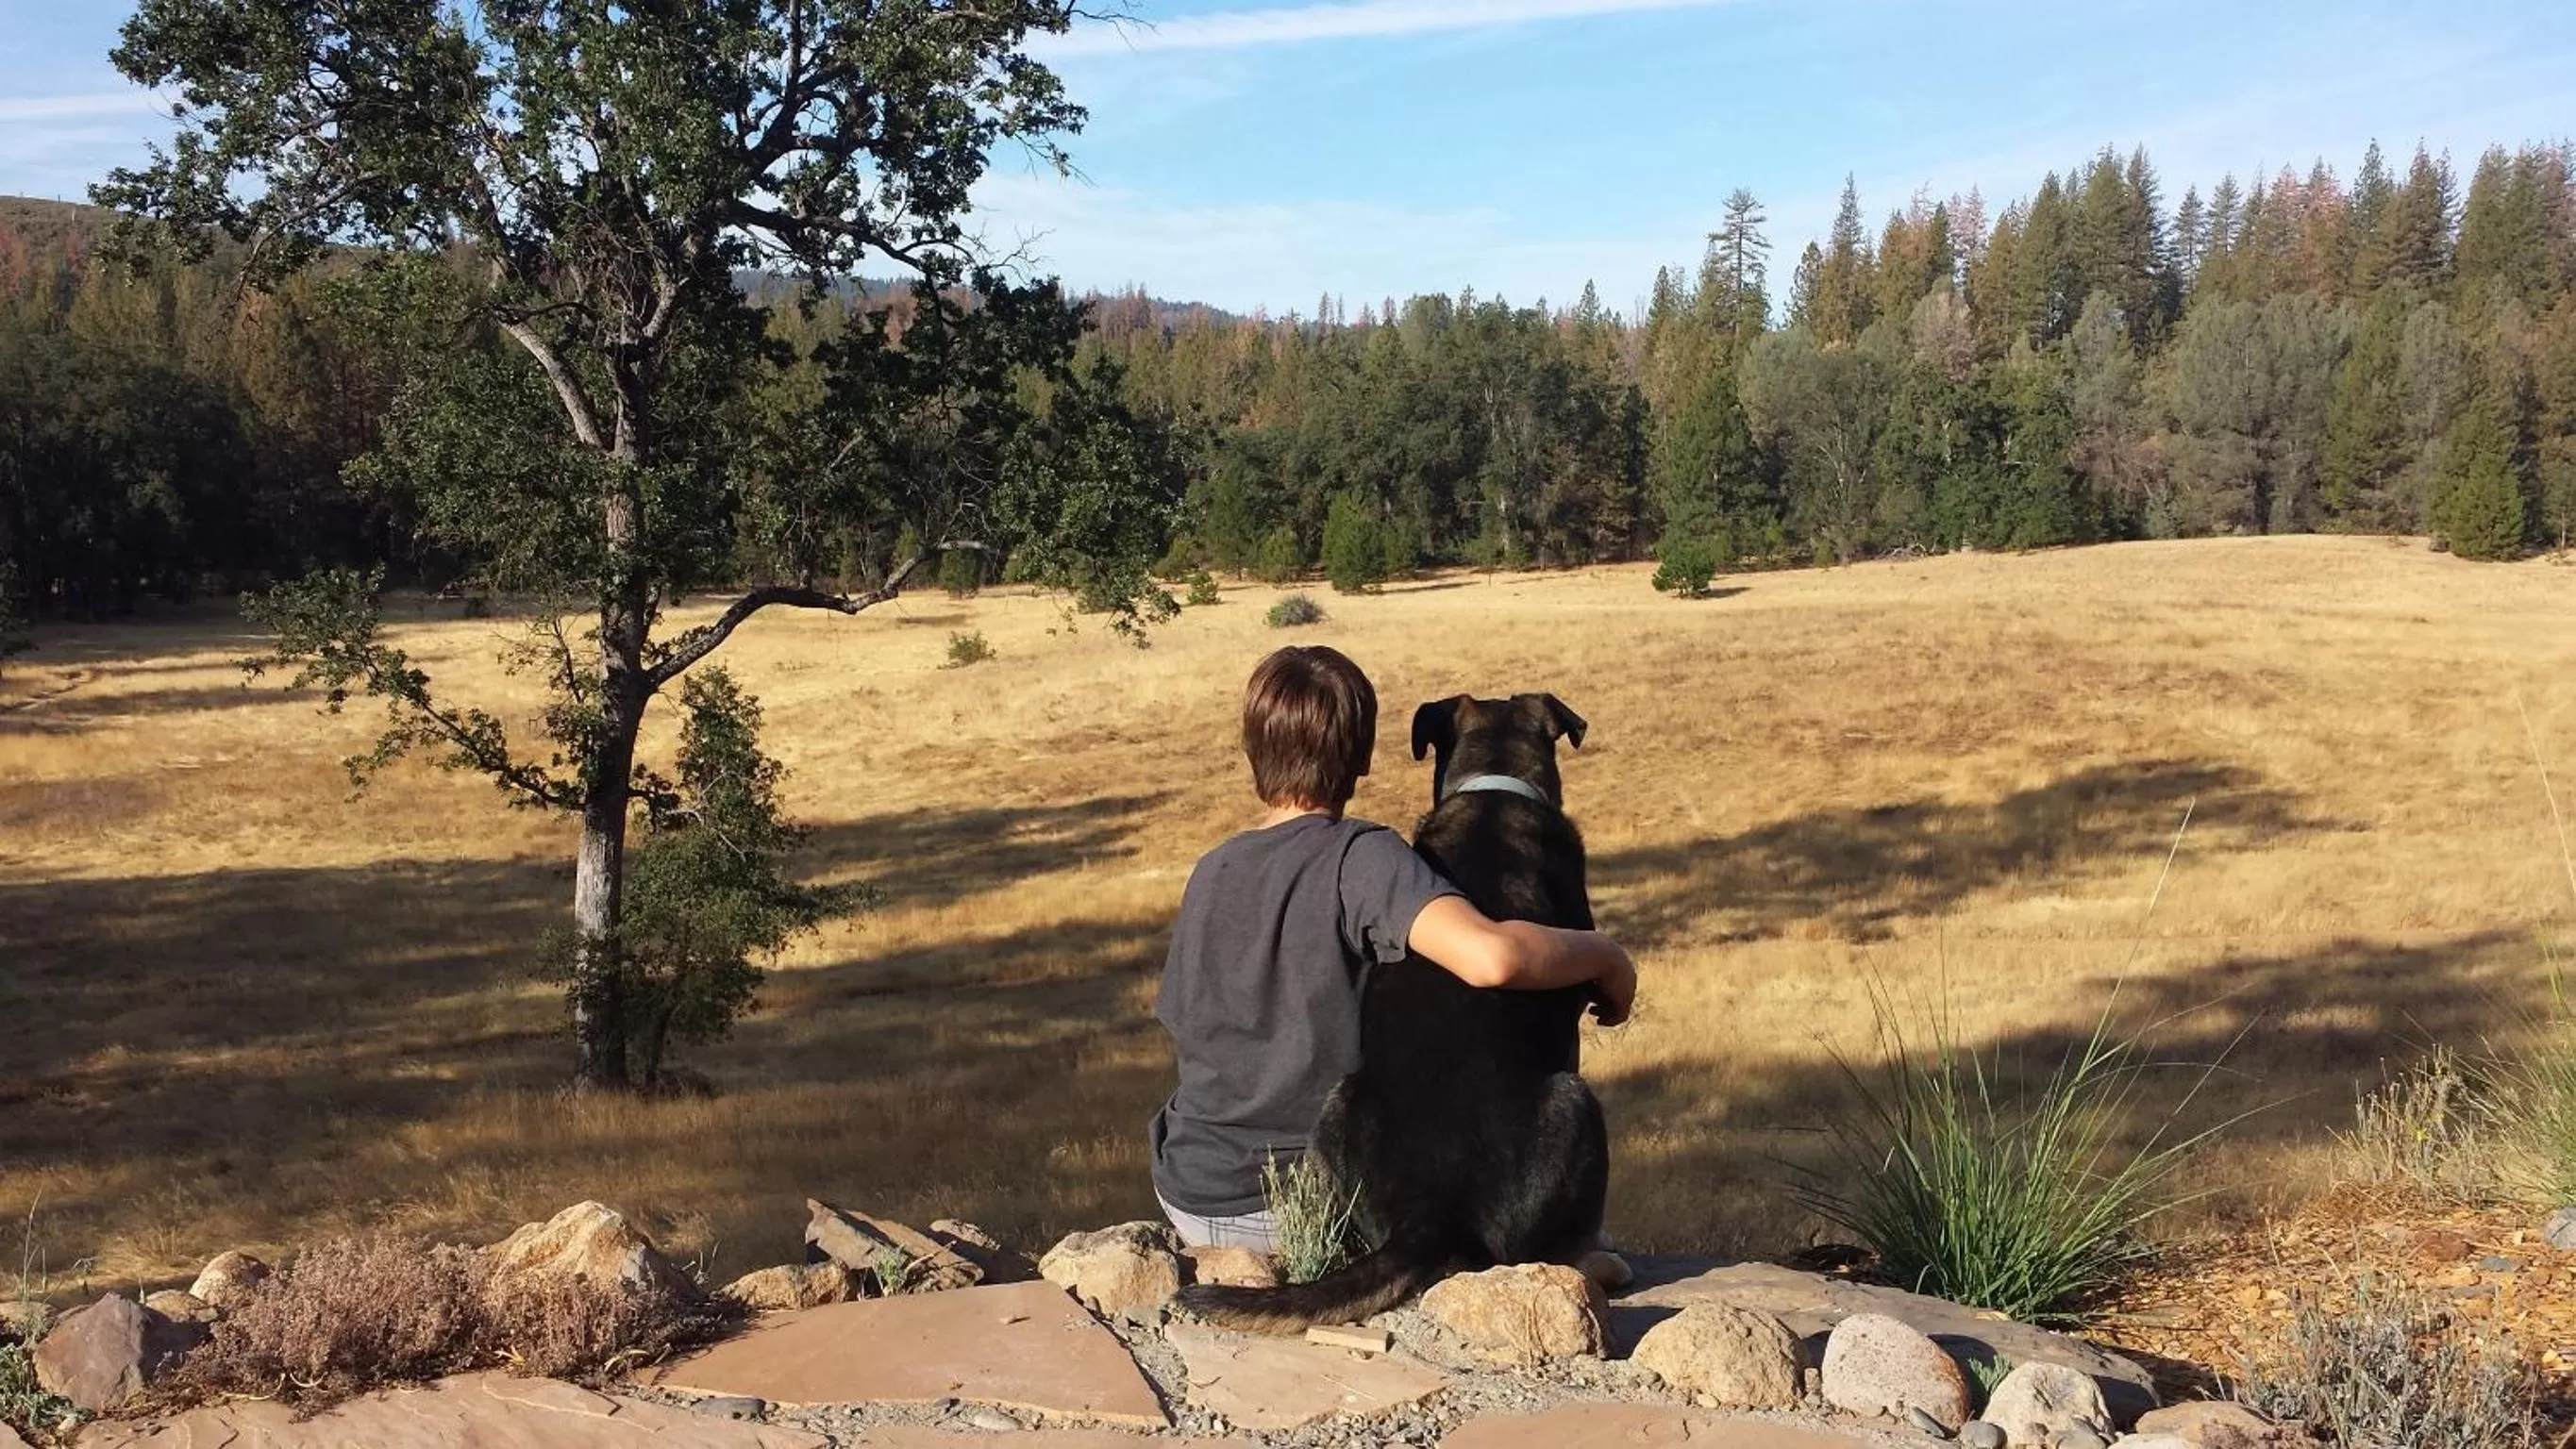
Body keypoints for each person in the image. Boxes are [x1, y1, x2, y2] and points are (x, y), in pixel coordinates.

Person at [1149, 644, 1637, 1252]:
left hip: (1190, 1194)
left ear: (1252, 751)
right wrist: (1605, 955)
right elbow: (1492, 959)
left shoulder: (1212, 869)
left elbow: (1184, 1021)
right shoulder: (1364, 858)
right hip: (1302, 1206)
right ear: (1363, 757)